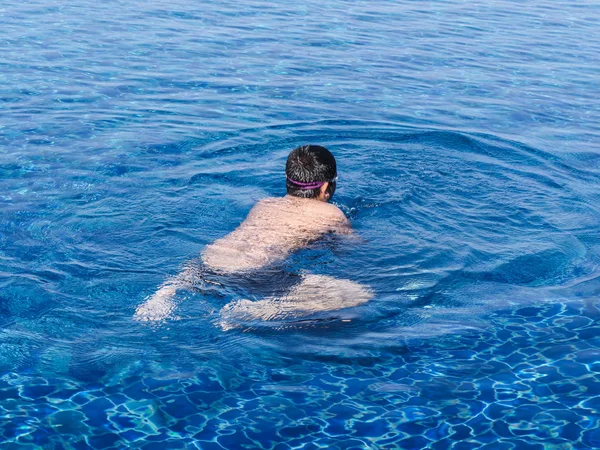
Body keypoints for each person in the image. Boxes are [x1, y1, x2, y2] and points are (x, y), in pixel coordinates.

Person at [134, 144, 372, 325]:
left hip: (211, 258)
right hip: (255, 273)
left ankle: (167, 292)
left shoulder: (264, 203)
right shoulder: (331, 213)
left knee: (201, 275)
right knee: (358, 295)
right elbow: (350, 248)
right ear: (324, 187)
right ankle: (252, 312)